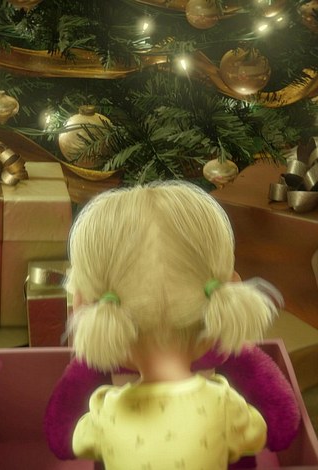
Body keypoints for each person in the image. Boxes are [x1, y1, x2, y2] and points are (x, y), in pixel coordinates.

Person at [64, 181, 281, 469]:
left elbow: (76, 443)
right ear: (223, 299)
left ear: (91, 312)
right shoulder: (226, 404)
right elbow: (258, 436)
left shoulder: (104, 412)